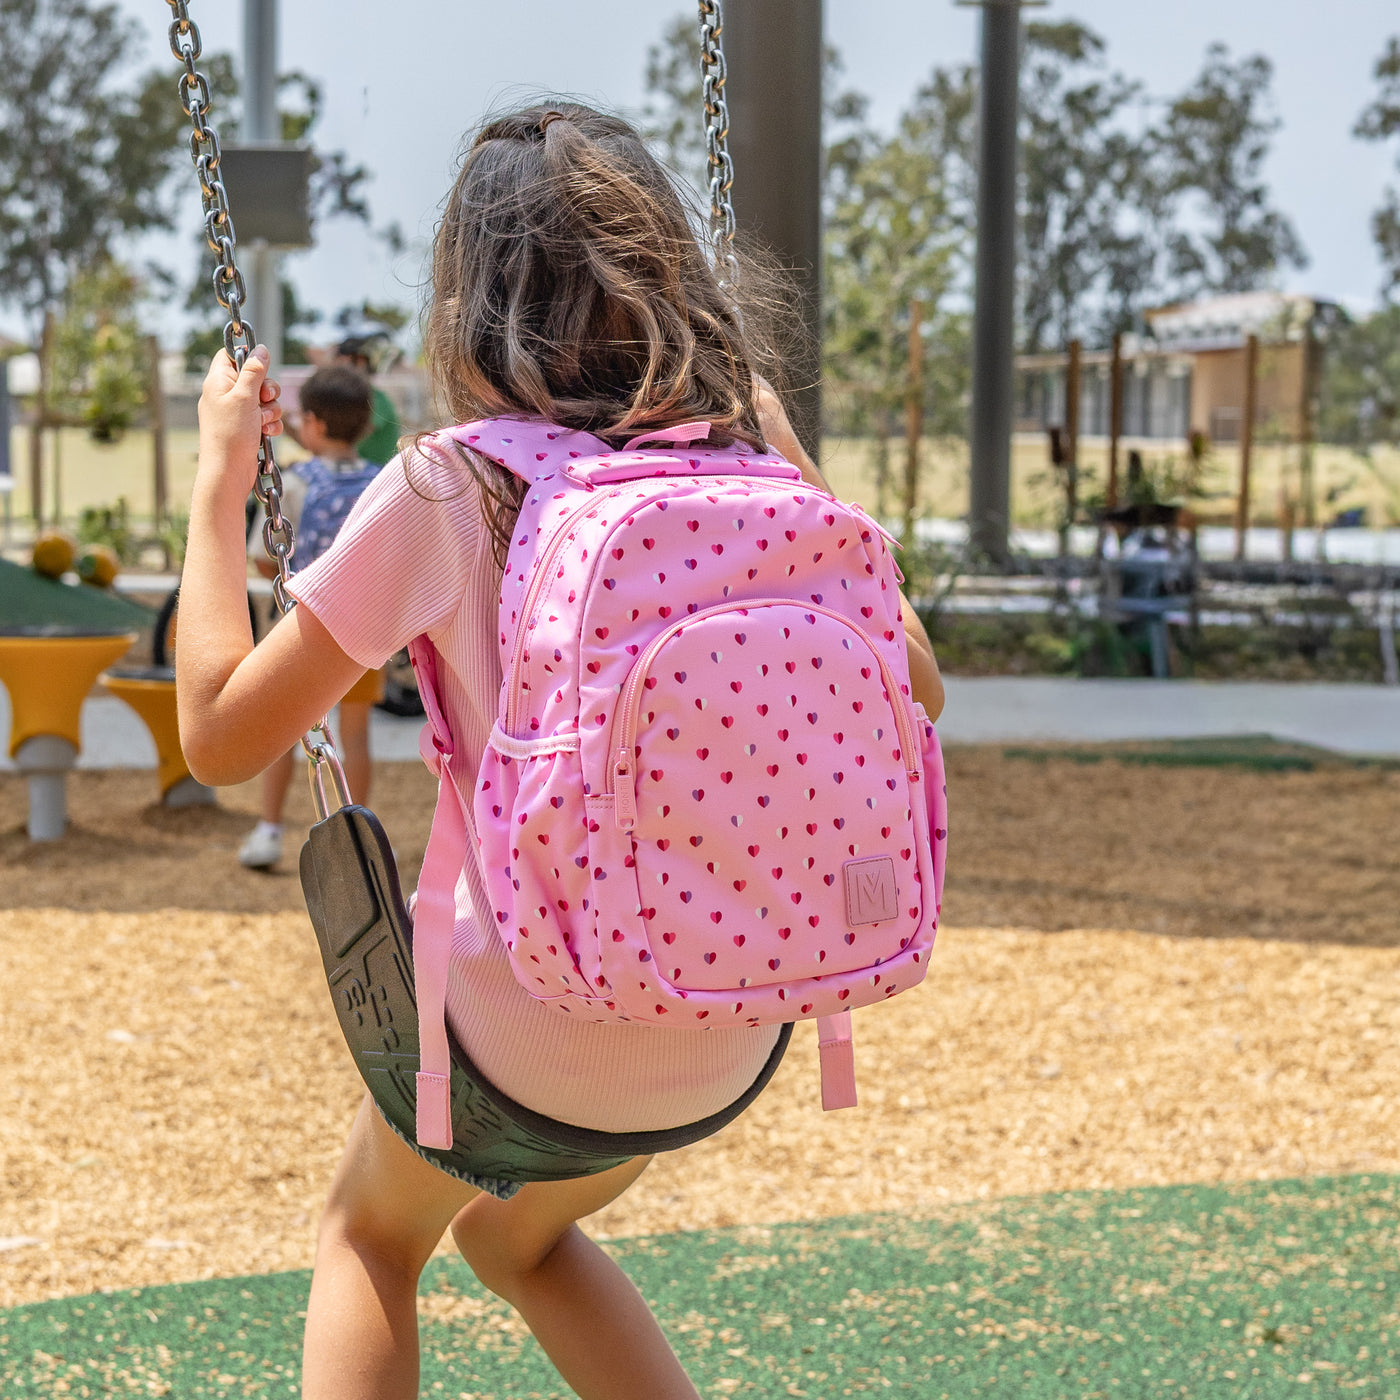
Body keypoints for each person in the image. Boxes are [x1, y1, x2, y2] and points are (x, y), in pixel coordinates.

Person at [178, 103, 944, 1400]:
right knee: (519, 1236)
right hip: (733, 1018)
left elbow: (216, 734)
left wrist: (215, 480)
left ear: (470, 306)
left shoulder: (449, 485)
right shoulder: (745, 462)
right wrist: (778, 446)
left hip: (529, 1027)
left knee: (370, 1232)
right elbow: (917, 677)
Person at [238, 364, 384, 870]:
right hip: (366, 631)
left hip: (298, 631)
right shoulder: (381, 483)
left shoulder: (294, 481)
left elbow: (263, 556)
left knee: (282, 731)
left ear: (315, 423)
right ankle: (357, 843)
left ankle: (269, 829)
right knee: (357, 734)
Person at [335, 333, 402, 467]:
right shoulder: (355, 400)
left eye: (344, 359)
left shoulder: (375, 398)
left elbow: (347, 440)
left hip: (377, 478)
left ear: (360, 361)